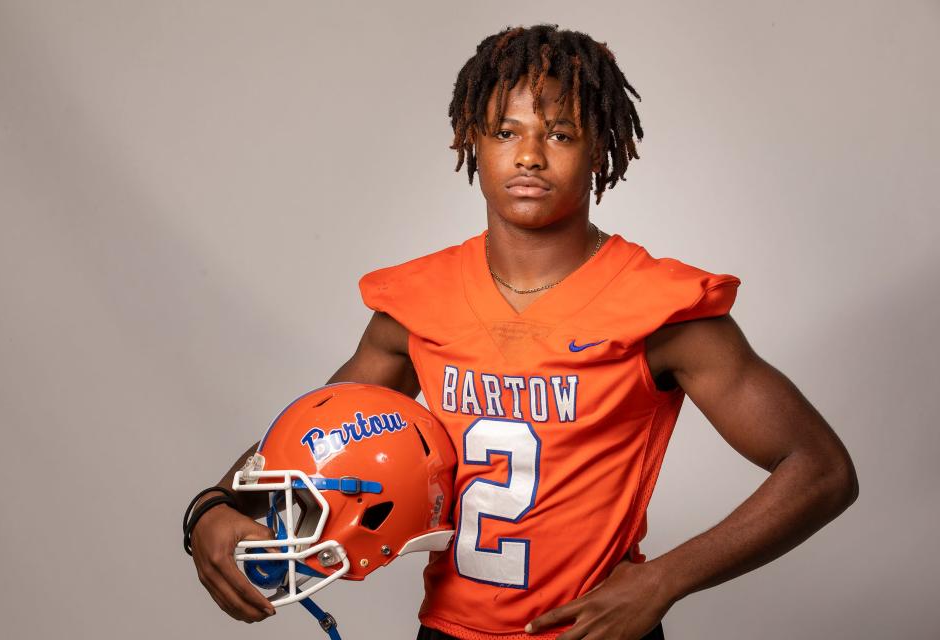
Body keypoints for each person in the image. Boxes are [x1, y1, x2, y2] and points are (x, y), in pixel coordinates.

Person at [186, 24, 859, 640]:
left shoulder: (661, 307)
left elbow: (821, 470)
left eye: (560, 134)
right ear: (469, 141)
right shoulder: (416, 302)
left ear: (601, 149)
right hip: (446, 633)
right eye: (506, 132)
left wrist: (663, 580)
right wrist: (215, 506)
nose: (530, 155)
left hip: (593, 632)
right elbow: (317, 438)